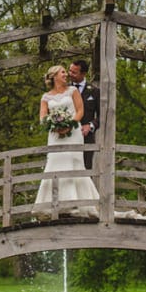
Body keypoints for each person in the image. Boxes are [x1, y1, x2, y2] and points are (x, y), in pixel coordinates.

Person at [33, 64, 99, 211]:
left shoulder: (72, 91)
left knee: (73, 163)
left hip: (73, 133)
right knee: (55, 164)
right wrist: (54, 126)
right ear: (54, 75)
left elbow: (80, 111)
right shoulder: (46, 97)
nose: (66, 74)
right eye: (63, 72)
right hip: (55, 136)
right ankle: (50, 205)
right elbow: (43, 118)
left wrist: (69, 124)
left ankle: (77, 204)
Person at [69, 59, 99, 169]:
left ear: (83, 74)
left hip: (86, 138)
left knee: (85, 170)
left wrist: (91, 125)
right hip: (68, 137)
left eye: (74, 72)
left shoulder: (94, 91)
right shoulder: (65, 89)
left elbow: (102, 117)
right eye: (70, 71)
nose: (70, 74)